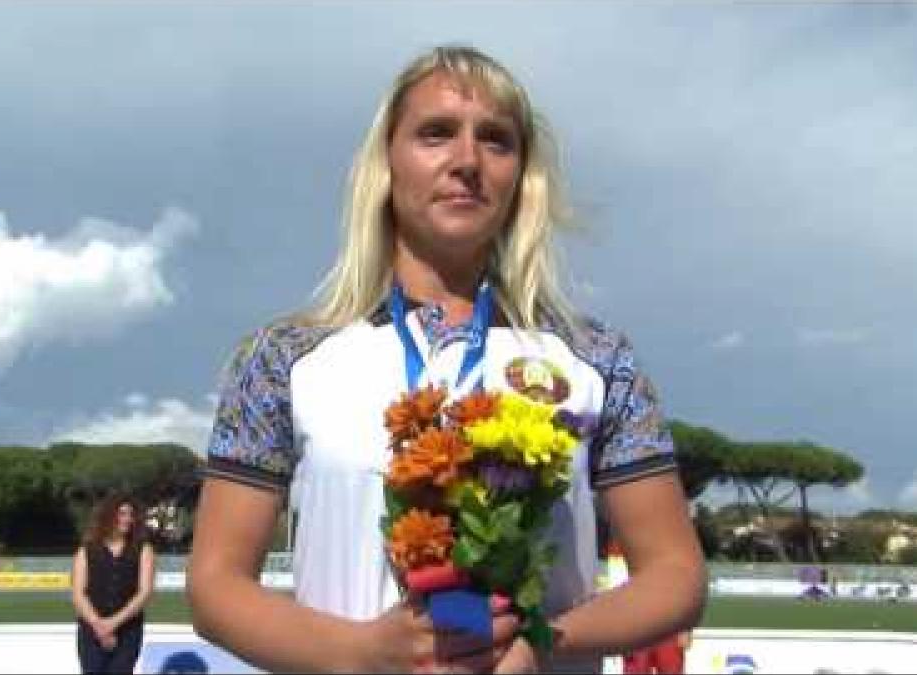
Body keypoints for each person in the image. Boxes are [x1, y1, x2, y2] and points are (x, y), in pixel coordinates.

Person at [186, 44, 706, 673]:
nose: (467, 161)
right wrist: (364, 653)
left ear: (521, 177)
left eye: (496, 140)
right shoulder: (281, 359)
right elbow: (214, 589)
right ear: (386, 162)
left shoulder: (599, 361)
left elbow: (676, 576)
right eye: (436, 134)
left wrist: (542, 645)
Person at [72, 494, 156, 674]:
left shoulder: (143, 550)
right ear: (108, 516)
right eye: (121, 514)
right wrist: (98, 625)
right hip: (91, 630)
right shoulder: (86, 550)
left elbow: (145, 593)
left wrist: (112, 623)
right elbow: (78, 594)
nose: (127, 519)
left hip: (128, 631)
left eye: (130, 515)